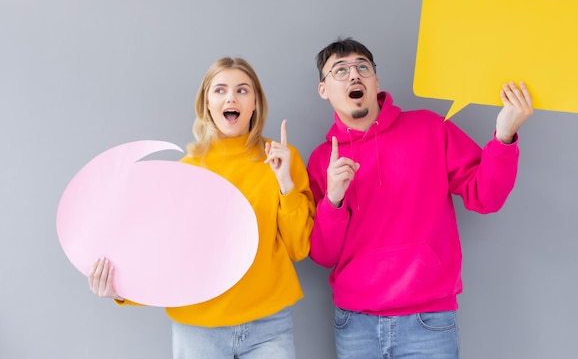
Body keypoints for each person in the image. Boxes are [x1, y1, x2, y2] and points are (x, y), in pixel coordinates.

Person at [307, 38, 533, 359]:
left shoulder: (429, 127)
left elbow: (486, 196)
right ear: (324, 89)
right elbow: (323, 254)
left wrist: (504, 136)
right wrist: (333, 200)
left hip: (428, 321)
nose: (354, 76)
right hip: (356, 324)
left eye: (362, 67)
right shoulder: (321, 161)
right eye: (339, 71)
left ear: (376, 81)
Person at [88, 57, 315, 359]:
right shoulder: (186, 171)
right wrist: (121, 291)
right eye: (220, 90)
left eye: (242, 90)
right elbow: (165, 256)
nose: (231, 97)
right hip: (198, 332)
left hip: (269, 326)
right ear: (207, 103)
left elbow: (299, 248)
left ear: (255, 103)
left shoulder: (281, 159)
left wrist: (285, 181)